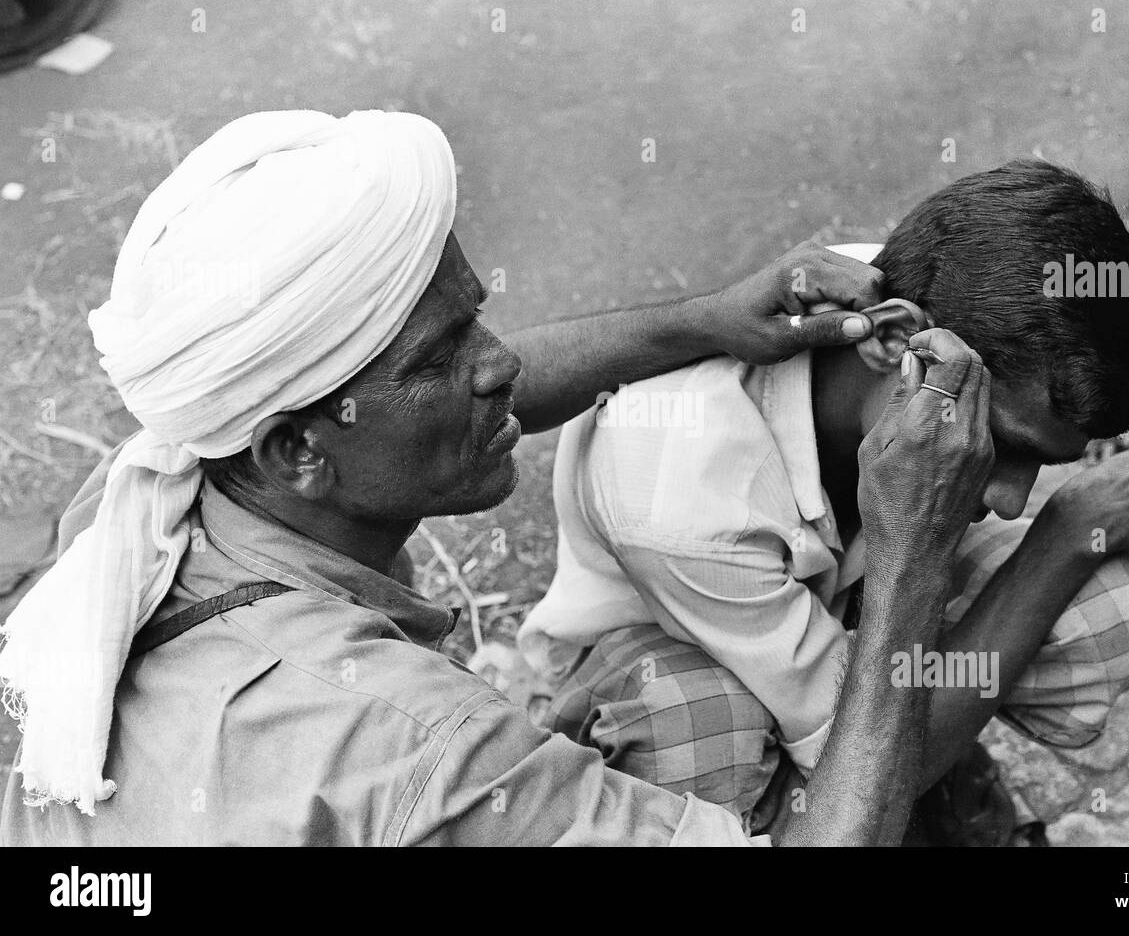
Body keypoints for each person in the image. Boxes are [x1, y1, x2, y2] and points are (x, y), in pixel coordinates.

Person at [0, 108, 993, 846]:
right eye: (441, 358)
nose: (500, 362)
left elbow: (479, 387)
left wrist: (700, 322)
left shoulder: (156, 492)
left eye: (474, 315)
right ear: (296, 449)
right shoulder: (422, 748)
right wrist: (909, 545)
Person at [519, 161, 1129, 824]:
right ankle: (789, 811)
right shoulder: (684, 500)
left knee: (1111, 613)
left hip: (833, 601)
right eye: (1005, 444)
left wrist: (1075, 530)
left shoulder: (921, 302)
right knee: (696, 722)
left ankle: (903, 757)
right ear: (895, 341)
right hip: (669, 665)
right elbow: (873, 768)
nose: (1009, 500)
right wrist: (1060, 537)